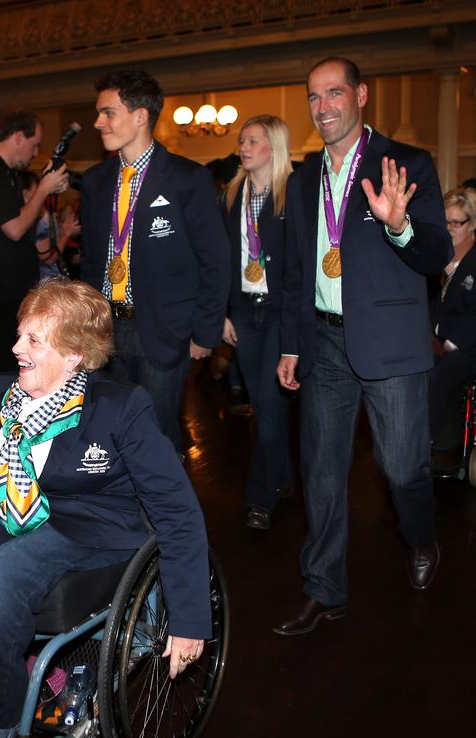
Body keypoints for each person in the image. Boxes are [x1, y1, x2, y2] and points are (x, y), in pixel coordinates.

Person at [0, 278, 211, 738]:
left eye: (34, 340)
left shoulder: (121, 409)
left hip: (93, 528)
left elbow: (177, 510)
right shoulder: (4, 394)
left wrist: (188, 619)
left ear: (75, 354)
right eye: (20, 335)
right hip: (12, 514)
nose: (16, 348)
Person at [275, 57, 450, 635]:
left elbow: (433, 255)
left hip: (391, 344)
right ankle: (324, 588)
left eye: (334, 93)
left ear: (362, 95)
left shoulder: (406, 163)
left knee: (402, 470)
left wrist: (399, 226)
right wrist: (291, 343)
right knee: (320, 469)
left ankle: (421, 537)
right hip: (323, 340)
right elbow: (298, 271)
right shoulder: (304, 180)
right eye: (313, 97)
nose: (323, 106)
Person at [80, 70, 230, 454]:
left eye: (108, 113)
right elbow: (92, 260)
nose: (98, 122)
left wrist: (205, 332)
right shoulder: (96, 181)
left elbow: (214, 259)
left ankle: (162, 515)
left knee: (157, 438)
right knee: (108, 434)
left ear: (141, 115)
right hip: (105, 330)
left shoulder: (186, 178)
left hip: (163, 331)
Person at [219, 115, 294, 530]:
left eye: (253, 141)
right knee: (266, 403)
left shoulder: (293, 194)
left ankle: (260, 499)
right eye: (241, 141)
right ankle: (283, 477)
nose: (243, 148)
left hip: (281, 313)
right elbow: (218, 261)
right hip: (244, 311)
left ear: (274, 147)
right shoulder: (231, 196)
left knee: (267, 406)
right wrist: (222, 313)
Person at [0, 111, 69, 374]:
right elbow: (15, 228)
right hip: (1, 287)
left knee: (21, 363)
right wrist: (43, 189)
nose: (35, 152)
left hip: (11, 285)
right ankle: (7, 415)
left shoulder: (5, 173)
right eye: (34, 144)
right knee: (11, 365)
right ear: (17, 137)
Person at [428, 187, 476, 466]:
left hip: (467, 346)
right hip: (434, 342)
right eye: (444, 221)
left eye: (456, 222)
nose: (448, 228)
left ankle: (426, 443)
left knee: (437, 376)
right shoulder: (437, 259)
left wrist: (451, 342)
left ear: (471, 226)